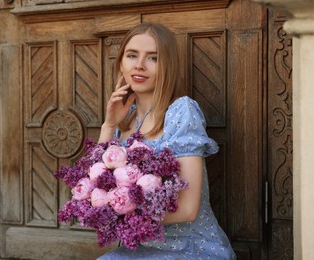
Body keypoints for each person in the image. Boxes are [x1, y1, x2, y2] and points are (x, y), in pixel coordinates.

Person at [96, 23, 236, 260]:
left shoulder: (182, 111)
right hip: (137, 247)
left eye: (153, 58)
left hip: (189, 247)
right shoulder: (126, 122)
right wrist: (109, 126)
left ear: (167, 66)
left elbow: (189, 210)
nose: (139, 64)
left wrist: (118, 216)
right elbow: (95, 181)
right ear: (121, 62)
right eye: (132, 55)